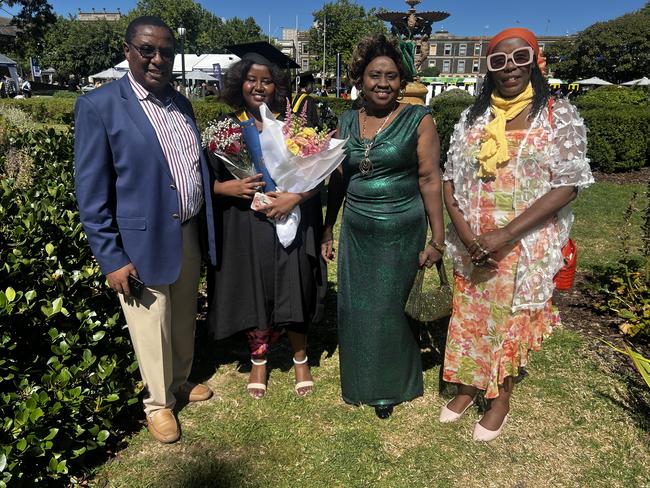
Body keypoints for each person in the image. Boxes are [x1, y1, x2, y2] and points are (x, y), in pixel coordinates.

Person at [439, 28, 594, 441]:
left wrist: (504, 234)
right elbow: (450, 179)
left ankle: (500, 398)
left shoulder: (558, 115)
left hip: (525, 240)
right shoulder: (474, 118)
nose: (510, 68)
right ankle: (468, 387)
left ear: (536, 61)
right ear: (488, 69)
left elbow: (567, 185)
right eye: (499, 61)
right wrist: (469, 235)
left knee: (509, 319)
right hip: (474, 240)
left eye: (520, 58)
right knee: (471, 316)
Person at [74, 16, 217, 444]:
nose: (158, 59)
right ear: (128, 51)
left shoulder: (182, 104)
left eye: (166, 51)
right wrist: (112, 257)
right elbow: (92, 192)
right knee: (150, 322)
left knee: (182, 317)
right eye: (147, 50)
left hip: (188, 230)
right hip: (140, 240)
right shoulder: (100, 106)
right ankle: (158, 404)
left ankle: (179, 381)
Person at [321, 33, 445, 419]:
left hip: (402, 229)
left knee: (392, 309)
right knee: (360, 309)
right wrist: (328, 228)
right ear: (360, 78)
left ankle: (391, 386)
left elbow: (429, 179)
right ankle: (361, 379)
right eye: (375, 75)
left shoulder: (419, 119)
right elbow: (338, 179)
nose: (383, 83)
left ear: (401, 81)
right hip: (357, 229)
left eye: (392, 76)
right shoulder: (346, 120)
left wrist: (437, 238)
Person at [207, 42, 327, 399]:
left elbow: (315, 174)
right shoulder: (226, 129)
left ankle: (300, 356)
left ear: (277, 87)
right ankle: (259, 358)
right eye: (250, 80)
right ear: (237, 84)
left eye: (267, 81)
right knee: (256, 286)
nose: (258, 87)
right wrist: (225, 188)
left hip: (291, 217)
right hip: (248, 224)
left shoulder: (292, 128)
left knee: (296, 283)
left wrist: (295, 196)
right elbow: (203, 180)